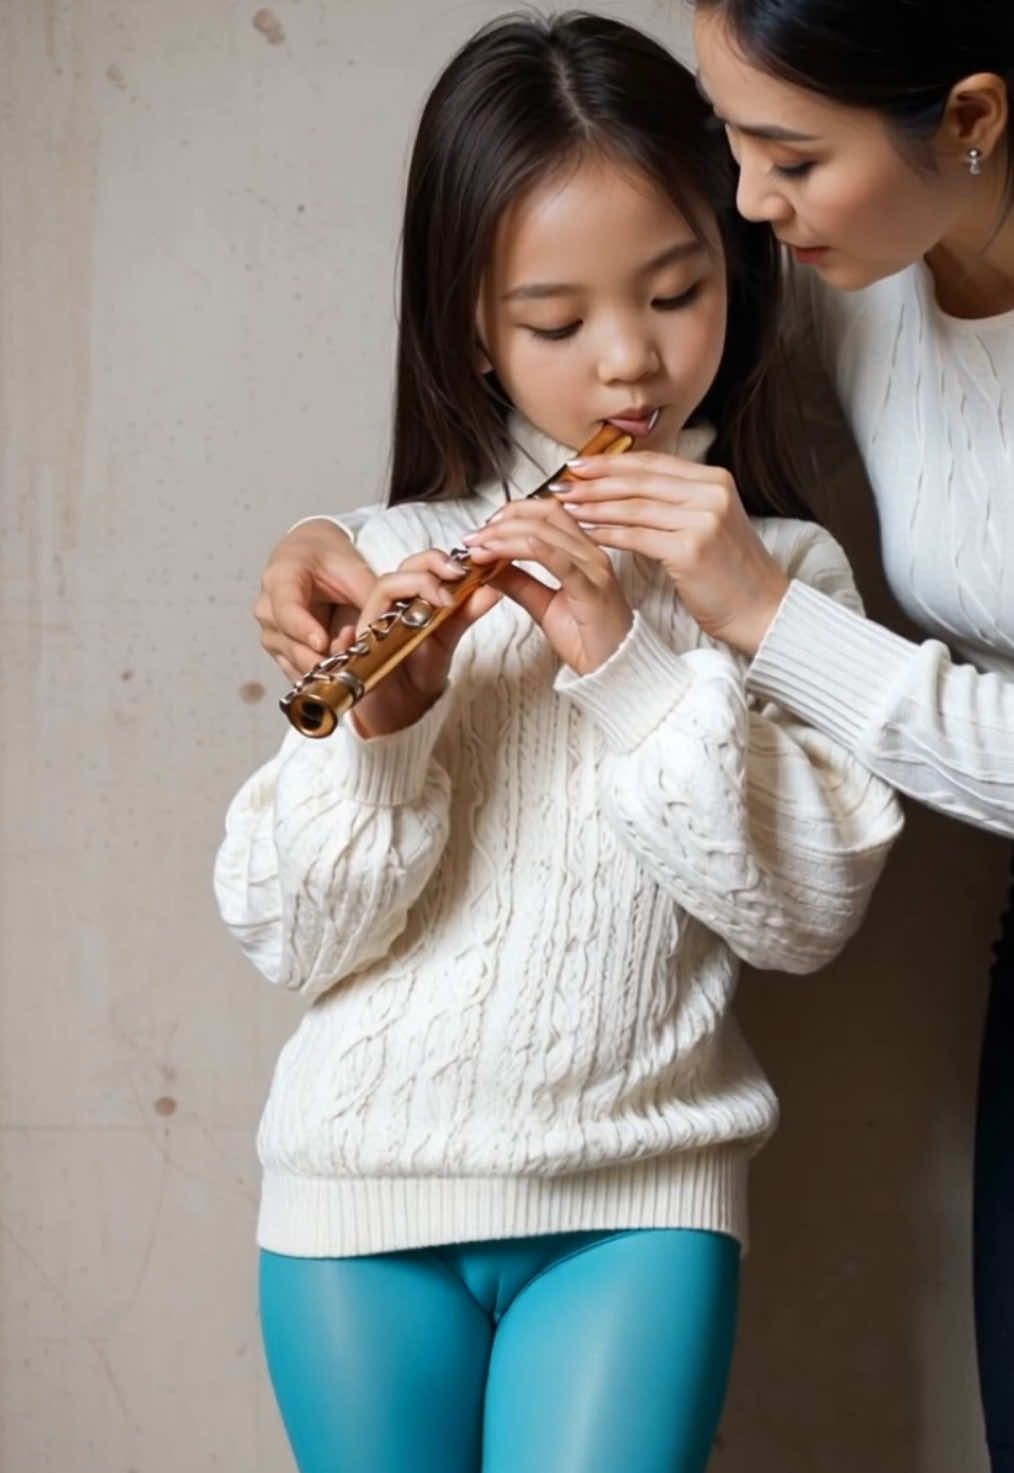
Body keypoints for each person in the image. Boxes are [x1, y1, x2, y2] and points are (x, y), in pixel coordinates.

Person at [218, 13, 902, 1473]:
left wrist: (630, 657)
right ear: (471, 326)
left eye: (675, 291)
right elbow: (289, 937)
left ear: (739, 266)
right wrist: (383, 739)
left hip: (638, 1204)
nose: (629, 367)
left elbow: (802, 914)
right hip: (355, 1201)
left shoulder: (785, 580)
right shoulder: (386, 557)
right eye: (554, 322)